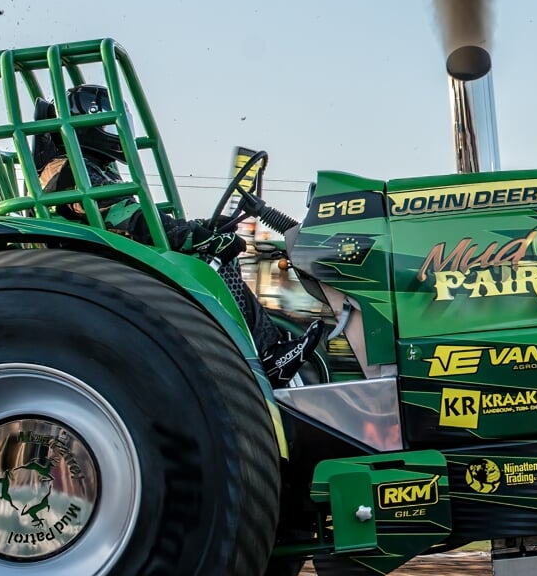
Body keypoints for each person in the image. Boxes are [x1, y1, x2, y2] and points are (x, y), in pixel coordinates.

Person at [31, 83, 320, 381]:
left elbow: (127, 218)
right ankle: (266, 354)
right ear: (90, 125)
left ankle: (261, 348)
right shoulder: (69, 170)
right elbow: (129, 220)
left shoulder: (82, 166)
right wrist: (196, 236)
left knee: (215, 255)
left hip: (108, 262)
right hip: (102, 269)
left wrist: (200, 229)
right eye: (109, 123)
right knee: (210, 263)